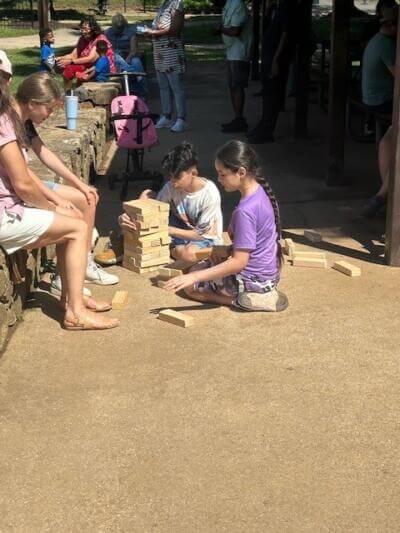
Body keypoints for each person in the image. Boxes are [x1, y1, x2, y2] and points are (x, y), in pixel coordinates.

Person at [0, 65, 118, 330]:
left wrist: (61, 199)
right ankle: (75, 313)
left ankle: (70, 298)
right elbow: (23, 185)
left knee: (75, 215)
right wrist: (53, 207)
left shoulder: (13, 119)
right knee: (76, 226)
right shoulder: (6, 126)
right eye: (49, 109)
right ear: (32, 102)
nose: (51, 114)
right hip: (6, 212)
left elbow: (29, 173)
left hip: (11, 203)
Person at [163, 140, 288, 312]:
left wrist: (194, 277)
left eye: (222, 174)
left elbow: (239, 262)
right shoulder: (260, 192)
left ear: (241, 172)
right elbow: (255, 243)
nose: (219, 179)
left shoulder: (245, 211)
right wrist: (228, 250)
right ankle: (253, 294)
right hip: (267, 276)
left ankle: (243, 300)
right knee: (198, 266)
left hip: (250, 281)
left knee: (190, 286)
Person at [117, 142, 223, 263]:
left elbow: (200, 234)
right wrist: (127, 216)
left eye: (177, 177)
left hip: (203, 237)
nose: (173, 182)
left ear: (193, 173)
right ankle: (123, 240)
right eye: (170, 176)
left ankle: (169, 248)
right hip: (177, 229)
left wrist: (169, 230)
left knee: (189, 254)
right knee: (146, 195)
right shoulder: (170, 187)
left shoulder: (209, 193)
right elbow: (153, 209)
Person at [247, 0, 296, 144]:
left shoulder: (287, 7)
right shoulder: (277, 7)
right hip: (269, 56)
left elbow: (285, 34)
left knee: (273, 95)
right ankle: (263, 126)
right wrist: (268, 10)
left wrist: (276, 59)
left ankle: (267, 131)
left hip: (276, 58)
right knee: (267, 94)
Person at [142, 0, 187, 133]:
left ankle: (181, 119)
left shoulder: (177, 3)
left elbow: (175, 29)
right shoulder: (164, 4)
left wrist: (152, 32)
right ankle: (167, 116)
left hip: (172, 51)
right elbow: (159, 26)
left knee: (177, 87)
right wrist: (149, 33)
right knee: (163, 86)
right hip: (160, 52)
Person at [218, 0, 252, 133]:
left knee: (237, 86)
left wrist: (221, 29)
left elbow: (235, 31)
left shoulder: (237, 4)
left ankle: (239, 121)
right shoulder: (227, 4)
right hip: (231, 51)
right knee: (232, 86)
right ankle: (238, 118)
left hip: (240, 51)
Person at [56, 15, 115, 92]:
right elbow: (73, 55)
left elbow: (90, 59)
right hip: (88, 66)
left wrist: (71, 62)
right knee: (68, 70)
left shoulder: (100, 39)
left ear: (93, 29)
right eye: (82, 28)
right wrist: (60, 58)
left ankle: (76, 94)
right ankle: (67, 93)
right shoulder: (82, 39)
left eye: (85, 29)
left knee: (75, 70)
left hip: (101, 69)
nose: (83, 31)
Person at [361, 7, 397, 116]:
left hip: (371, 99)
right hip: (380, 101)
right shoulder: (386, 44)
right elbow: (398, 76)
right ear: (392, 25)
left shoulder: (376, 39)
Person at [105, 13, 147, 96]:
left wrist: (129, 56)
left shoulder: (130, 33)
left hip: (129, 54)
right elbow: (107, 48)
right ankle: (135, 74)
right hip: (116, 55)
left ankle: (142, 91)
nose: (118, 30)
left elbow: (134, 50)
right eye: (116, 28)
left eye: (120, 28)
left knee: (136, 62)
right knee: (116, 56)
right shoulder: (108, 32)